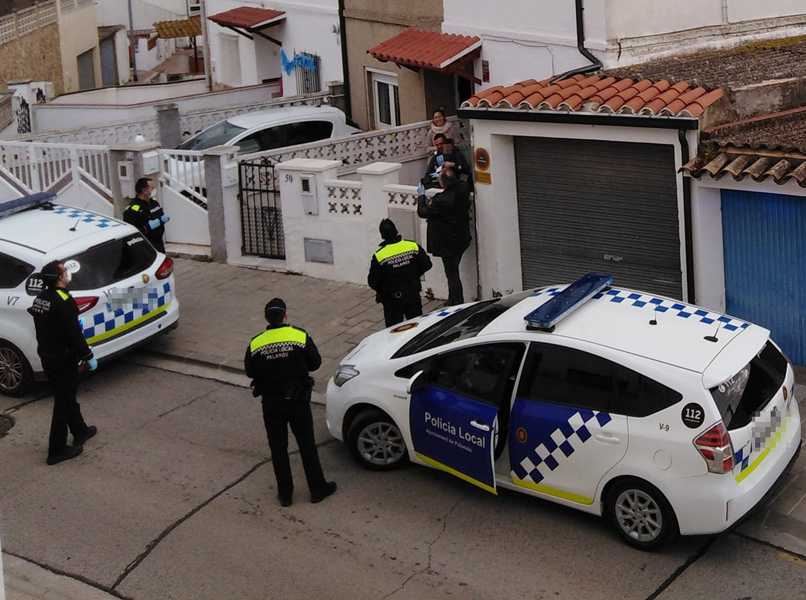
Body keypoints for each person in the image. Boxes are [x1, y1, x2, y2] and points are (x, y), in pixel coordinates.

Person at [244, 298, 337, 507]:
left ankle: (285, 495)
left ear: (266, 318)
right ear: (285, 316)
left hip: (271, 403)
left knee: (278, 449)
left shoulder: (256, 342)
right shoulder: (299, 336)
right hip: (298, 401)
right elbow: (316, 362)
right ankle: (317, 489)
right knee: (306, 445)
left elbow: (250, 370)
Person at [28, 261, 98, 465]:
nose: (68, 273)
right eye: (65, 271)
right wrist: (87, 355)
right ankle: (56, 450)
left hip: (48, 355)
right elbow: (74, 333)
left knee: (65, 394)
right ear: (59, 278)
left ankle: (80, 430)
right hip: (63, 358)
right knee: (63, 401)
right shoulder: (64, 300)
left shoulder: (41, 298)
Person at [417, 168, 472, 306]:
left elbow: (423, 212)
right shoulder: (462, 189)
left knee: (452, 273)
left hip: (447, 243)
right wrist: (445, 176)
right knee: (453, 271)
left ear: (442, 185)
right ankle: (452, 298)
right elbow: (460, 183)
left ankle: (457, 302)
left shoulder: (441, 200)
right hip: (461, 238)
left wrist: (421, 196)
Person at [368, 218, 432, 327]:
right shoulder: (412, 246)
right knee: (417, 328)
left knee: (394, 331)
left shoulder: (379, 256)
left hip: (392, 299)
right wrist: (415, 275)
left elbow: (373, 282)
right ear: (396, 231)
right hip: (412, 293)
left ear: (382, 236)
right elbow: (427, 264)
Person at [123, 177, 169, 253]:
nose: (155, 190)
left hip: (158, 243)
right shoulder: (132, 210)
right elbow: (131, 233)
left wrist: (162, 219)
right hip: (145, 247)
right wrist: (147, 228)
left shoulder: (153, 202)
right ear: (144, 191)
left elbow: (159, 215)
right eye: (152, 188)